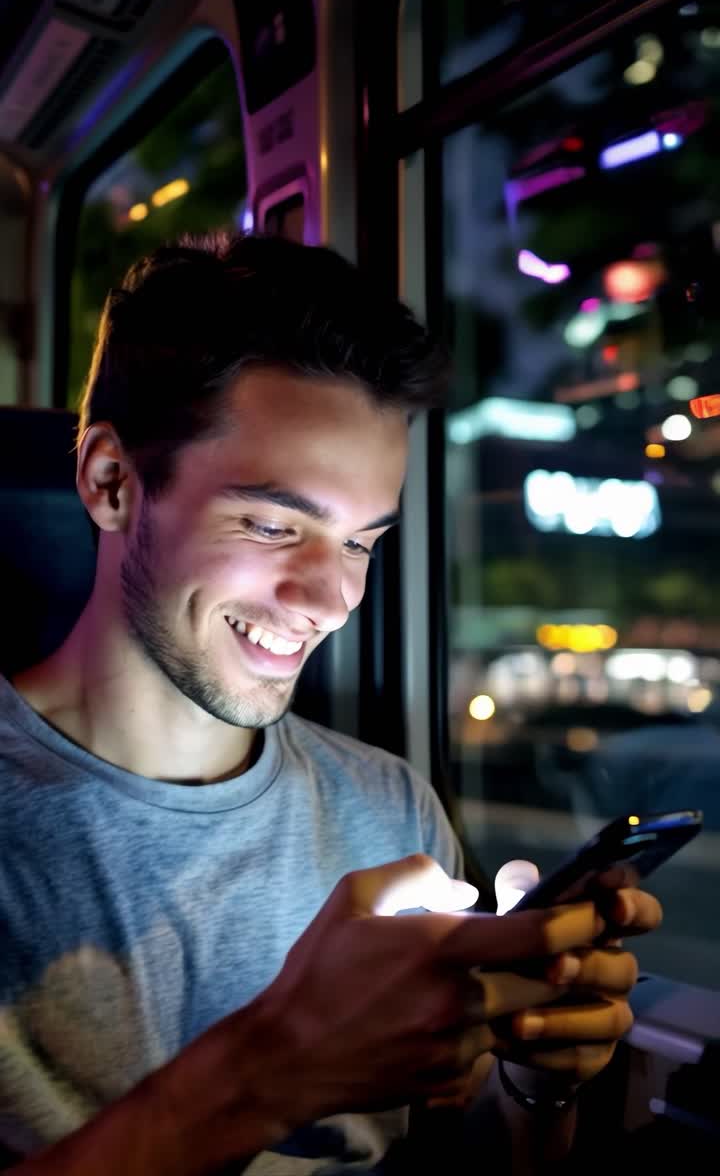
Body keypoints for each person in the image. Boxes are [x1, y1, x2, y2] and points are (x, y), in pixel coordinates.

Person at [0, 234, 661, 1175]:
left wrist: (537, 1076)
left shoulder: (389, 809)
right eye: (274, 524)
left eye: (361, 544)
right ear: (113, 483)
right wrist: (269, 1072)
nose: (333, 599)